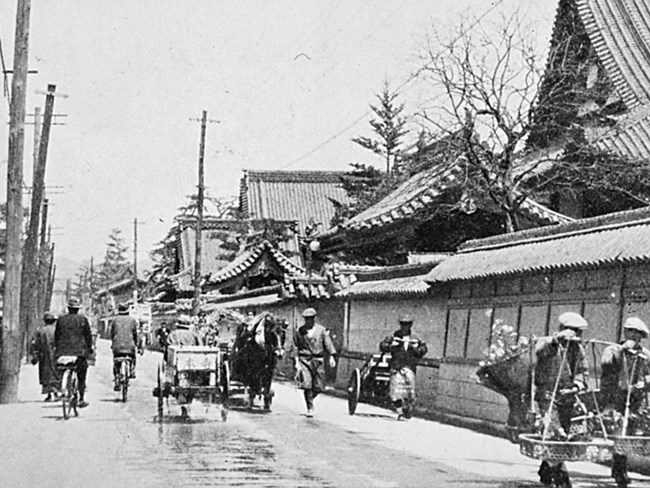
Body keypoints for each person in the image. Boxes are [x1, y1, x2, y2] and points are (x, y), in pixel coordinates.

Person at [534, 312, 589, 487]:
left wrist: (577, 386)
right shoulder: (548, 343)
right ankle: (561, 477)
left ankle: (546, 469)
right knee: (555, 432)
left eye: (579, 332)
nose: (576, 335)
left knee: (561, 435)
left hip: (567, 398)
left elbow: (583, 371)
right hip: (548, 398)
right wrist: (556, 340)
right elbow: (540, 351)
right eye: (574, 331)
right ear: (563, 329)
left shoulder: (578, 349)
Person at [601, 317, 650, 486]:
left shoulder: (645, 355)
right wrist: (622, 350)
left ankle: (619, 467)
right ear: (625, 332)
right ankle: (619, 470)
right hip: (616, 398)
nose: (634, 336)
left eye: (638, 334)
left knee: (628, 434)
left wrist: (646, 382)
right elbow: (606, 364)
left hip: (636, 400)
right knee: (618, 432)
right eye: (632, 332)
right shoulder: (613, 349)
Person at [379, 315, 428, 421]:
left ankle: (408, 409)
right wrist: (392, 347)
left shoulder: (415, 338)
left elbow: (424, 349)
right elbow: (382, 346)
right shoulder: (394, 336)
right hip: (396, 367)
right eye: (402, 324)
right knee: (395, 392)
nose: (404, 326)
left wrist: (416, 350)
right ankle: (400, 411)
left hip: (409, 367)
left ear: (411, 325)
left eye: (407, 324)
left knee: (410, 392)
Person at [293, 307, 336, 417]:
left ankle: (310, 398)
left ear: (314, 319)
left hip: (318, 360)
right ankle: (310, 407)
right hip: (305, 360)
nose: (308, 321)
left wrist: (331, 356)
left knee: (319, 386)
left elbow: (328, 344)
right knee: (307, 384)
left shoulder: (321, 330)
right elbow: (295, 347)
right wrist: (297, 361)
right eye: (306, 319)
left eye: (311, 318)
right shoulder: (299, 331)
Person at [54, 297, 94, 408]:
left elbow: (57, 337)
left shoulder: (61, 320)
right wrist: (89, 349)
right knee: (82, 374)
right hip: (79, 353)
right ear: (77, 309)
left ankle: (61, 388)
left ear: (68, 308)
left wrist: (57, 349)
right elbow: (88, 337)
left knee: (61, 369)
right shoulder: (82, 319)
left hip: (62, 352)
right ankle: (81, 398)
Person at [30, 312, 61, 402]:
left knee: (46, 374)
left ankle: (49, 394)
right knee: (56, 373)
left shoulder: (40, 331)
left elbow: (34, 344)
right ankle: (56, 393)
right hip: (55, 355)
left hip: (44, 356)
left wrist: (34, 355)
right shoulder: (56, 331)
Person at [109, 302, 140, 391]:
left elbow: (112, 333)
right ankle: (132, 370)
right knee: (133, 357)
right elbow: (135, 334)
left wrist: (113, 343)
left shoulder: (114, 320)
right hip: (130, 347)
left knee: (115, 362)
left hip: (117, 347)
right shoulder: (132, 320)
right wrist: (136, 343)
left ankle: (116, 379)